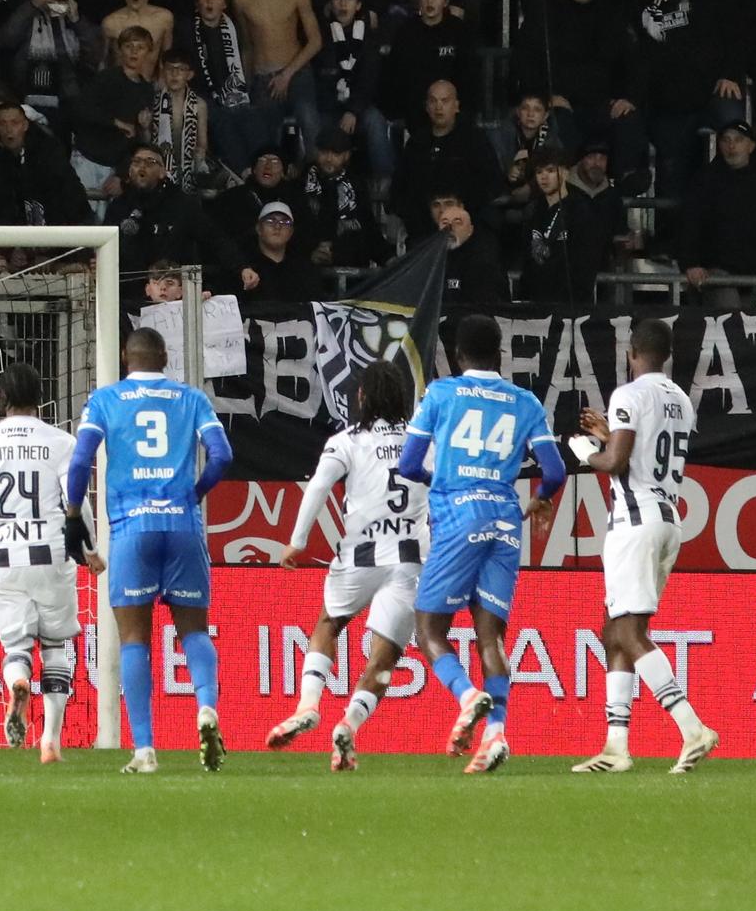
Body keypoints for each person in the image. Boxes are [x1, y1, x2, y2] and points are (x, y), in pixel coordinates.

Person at [63, 320, 235, 774]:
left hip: (131, 527)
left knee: (134, 637)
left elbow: (81, 460)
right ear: (164, 360)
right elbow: (223, 456)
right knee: (195, 631)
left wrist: (73, 514)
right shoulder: (191, 399)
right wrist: (194, 494)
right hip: (183, 525)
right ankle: (207, 710)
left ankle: (144, 750)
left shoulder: (106, 400)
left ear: (126, 359)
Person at [401, 311, 566, 774]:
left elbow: (410, 464)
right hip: (505, 520)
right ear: (501, 354)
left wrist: (445, 479)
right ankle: (495, 735)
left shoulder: (441, 393)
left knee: (429, 629)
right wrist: (538, 500)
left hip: (459, 516)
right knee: (490, 635)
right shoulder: (526, 401)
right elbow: (554, 472)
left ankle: (468, 695)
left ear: (456, 355)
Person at [565, 318, 722, 774]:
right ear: (666, 355)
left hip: (633, 522)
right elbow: (641, 449)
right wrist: (608, 432)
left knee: (629, 634)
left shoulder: (628, 395)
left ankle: (692, 728)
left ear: (631, 353)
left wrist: (584, 452)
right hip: (668, 518)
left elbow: (617, 462)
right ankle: (616, 746)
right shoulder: (681, 401)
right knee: (614, 631)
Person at [264, 353, 419, 760]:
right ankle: (348, 724)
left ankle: (308, 705)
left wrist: (297, 542)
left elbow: (317, 487)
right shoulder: (424, 440)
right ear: (403, 400)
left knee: (328, 624)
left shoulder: (347, 439)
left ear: (362, 397)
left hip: (360, 556)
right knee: (384, 658)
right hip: (410, 559)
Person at [0, 358, 89, 762]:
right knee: (54, 647)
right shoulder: (62, 442)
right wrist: (91, 550)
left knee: (15, 645)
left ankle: (18, 680)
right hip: (50, 554)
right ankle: (50, 740)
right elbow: (76, 503)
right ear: (41, 398)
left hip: (0, 557)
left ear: (1, 398)